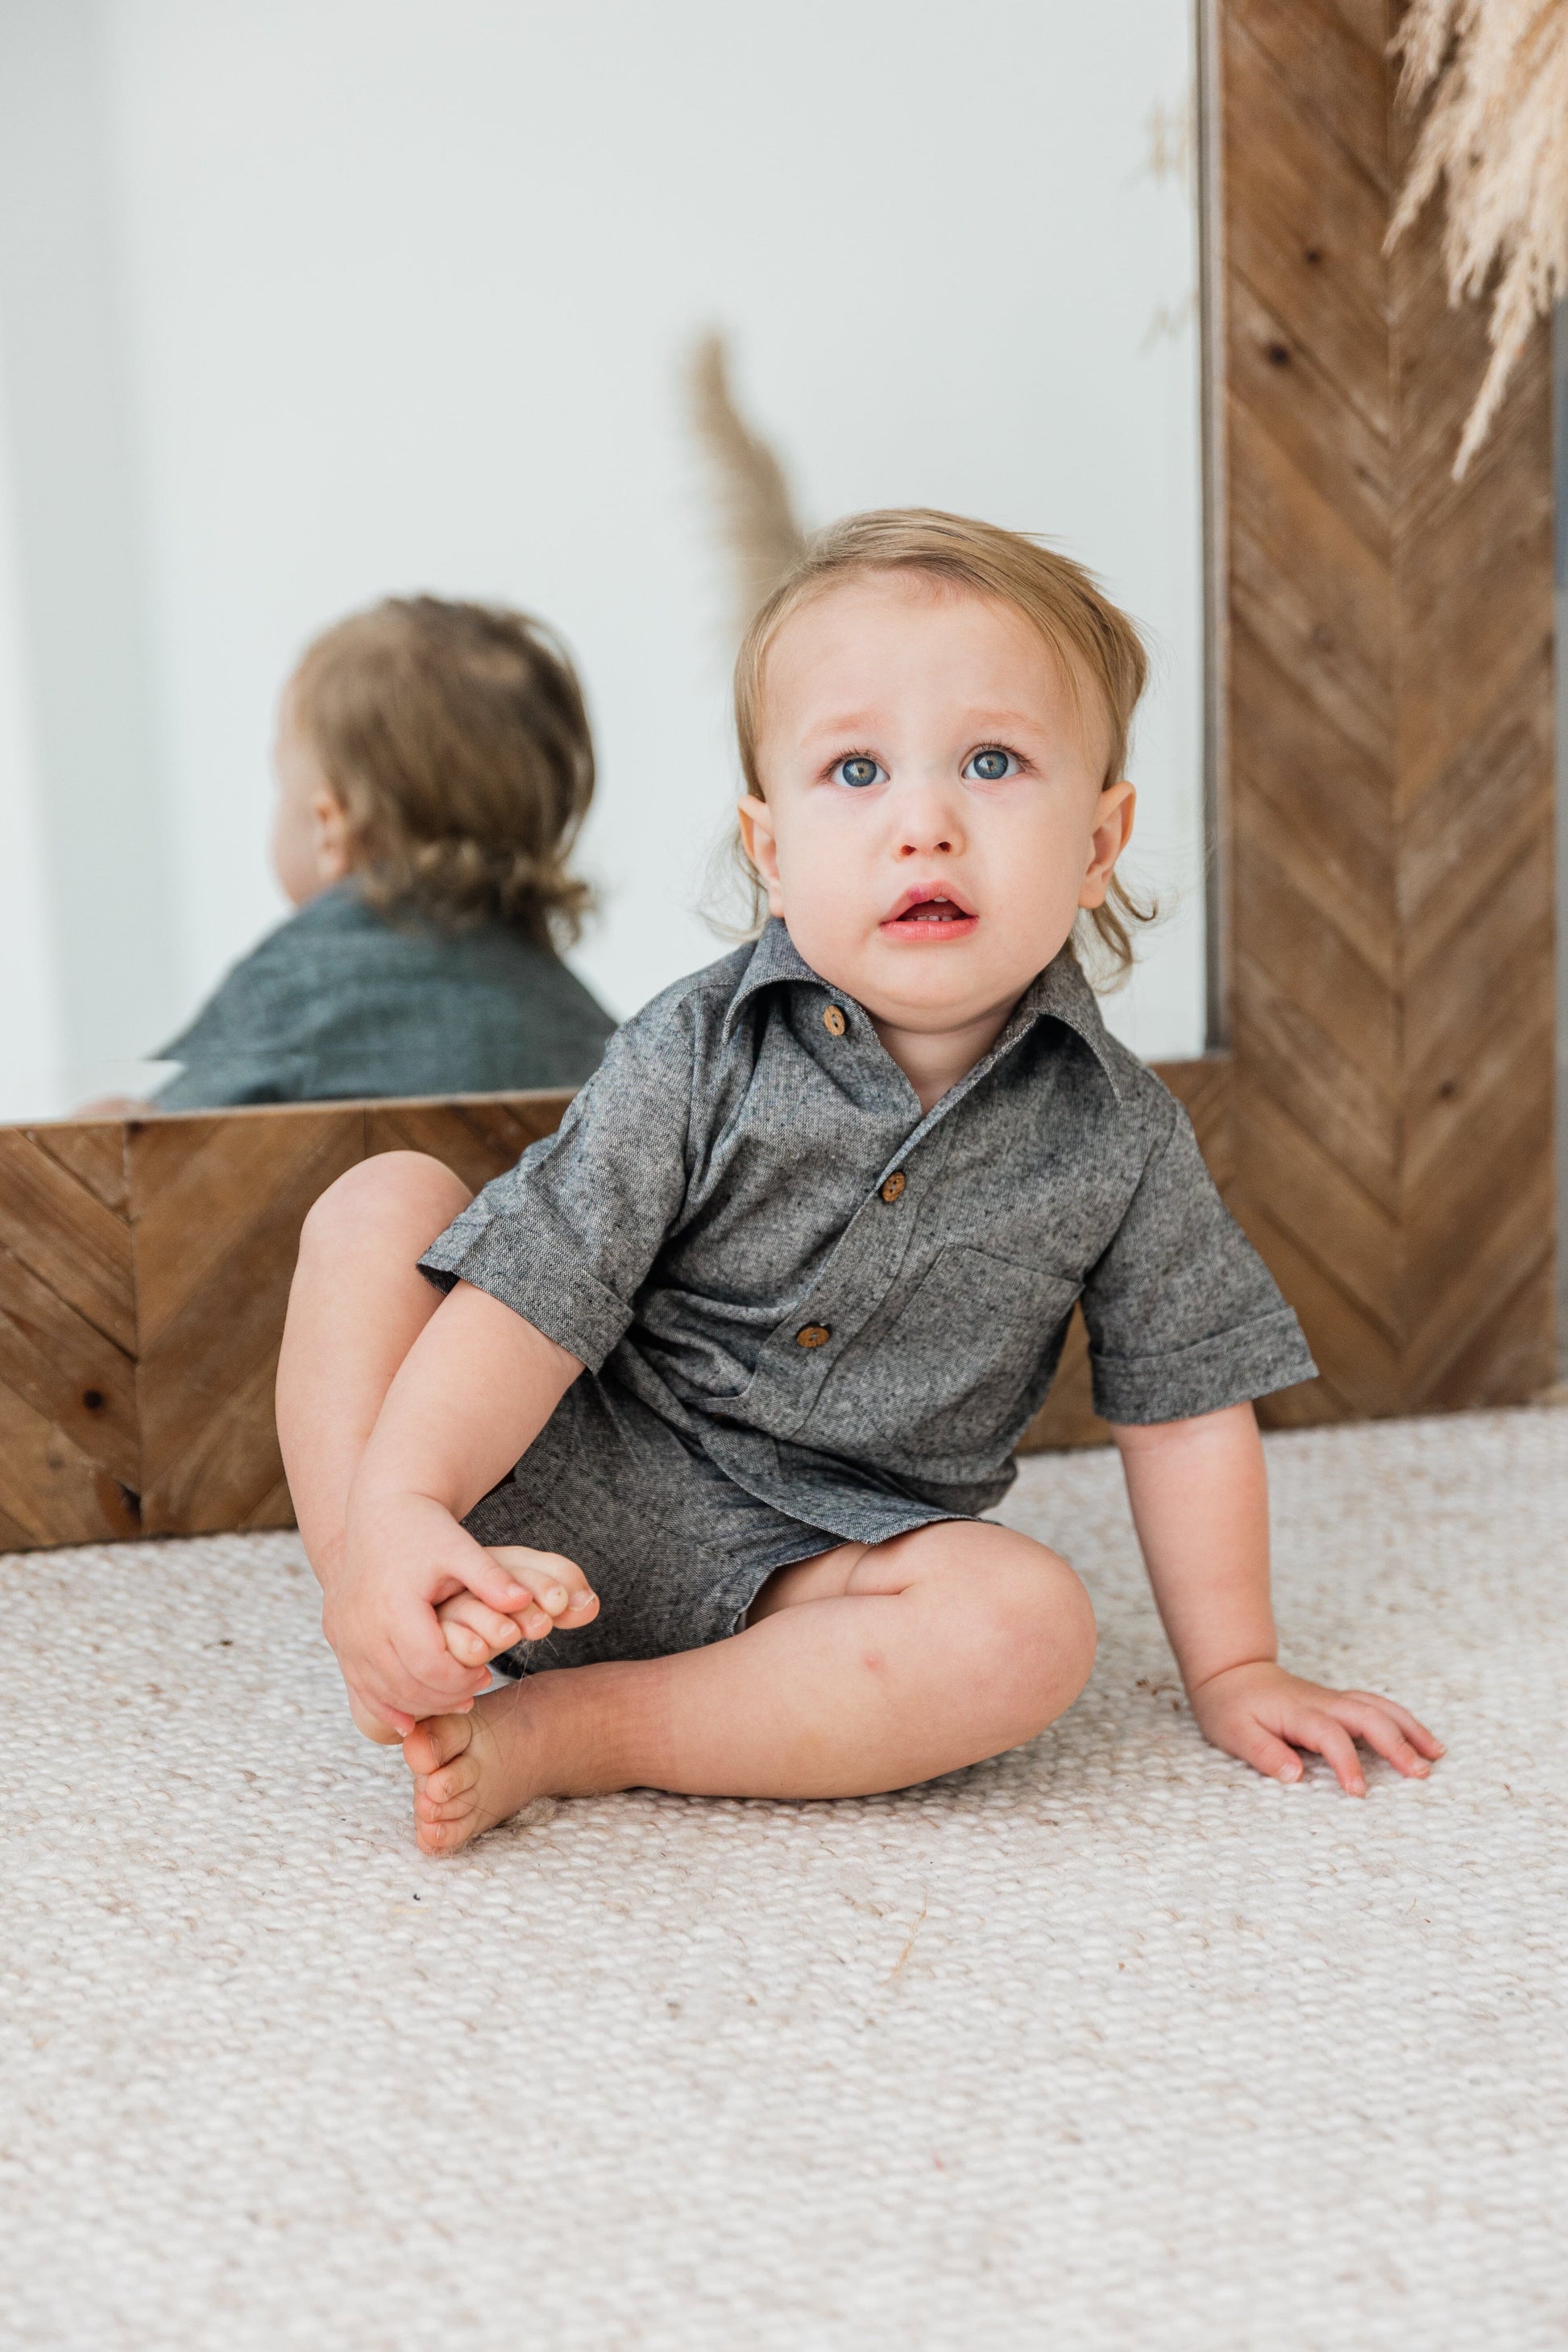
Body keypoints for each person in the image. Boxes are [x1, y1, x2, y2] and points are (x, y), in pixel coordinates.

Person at [276, 509, 1441, 1856]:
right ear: (770, 849)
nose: (923, 824)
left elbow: (1184, 1408)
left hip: (806, 1577)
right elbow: (533, 1298)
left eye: (992, 762)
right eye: (855, 769)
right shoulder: (692, 1049)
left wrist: (1237, 1666)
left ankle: (574, 1729)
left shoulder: (1120, 1132)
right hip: (541, 1465)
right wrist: (410, 1496)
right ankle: (381, 1595)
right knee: (379, 1203)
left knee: (1028, 1626)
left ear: (1098, 840)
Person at [149, 596, 614, 1110]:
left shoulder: (292, 990)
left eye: (280, 785)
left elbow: (155, 1133)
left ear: (330, 827)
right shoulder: (590, 1031)